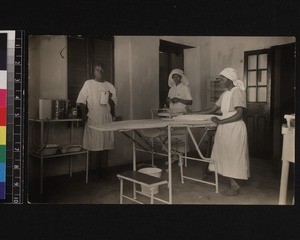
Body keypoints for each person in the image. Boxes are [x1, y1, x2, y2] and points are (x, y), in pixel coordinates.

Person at [201, 67, 250, 196]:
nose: (220, 81)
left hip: (234, 128)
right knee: (223, 154)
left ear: (229, 80)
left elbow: (239, 114)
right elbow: (211, 110)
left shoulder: (237, 92)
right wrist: (191, 112)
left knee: (232, 156)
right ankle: (232, 183)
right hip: (224, 128)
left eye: (222, 79)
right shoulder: (224, 94)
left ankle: (234, 186)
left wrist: (220, 121)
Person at [76, 63, 117, 182]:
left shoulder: (109, 85)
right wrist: (84, 115)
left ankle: (104, 172)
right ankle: (94, 173)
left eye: (101, 69)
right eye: (97, 69)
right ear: (93, 72)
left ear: (105, 71)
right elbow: (81, 101)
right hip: (94, 118)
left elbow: (114, 102)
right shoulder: (88, 84)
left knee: (105, 145)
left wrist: (110, 99)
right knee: (95, 146)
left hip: (106, 118)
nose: (99, 71)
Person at [166, 69, 193, 165]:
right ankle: (174, 156)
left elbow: (190, 101)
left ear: (181, 78)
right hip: (172, 114)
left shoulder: (185, 88)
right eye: (174, 77)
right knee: (172, 136)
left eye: (178, 77)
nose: (176, 78)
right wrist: (169, 100)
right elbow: (168, 100)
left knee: (181, 135)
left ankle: (181, 157)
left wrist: (179, 99)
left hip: (181, 114)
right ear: (172, 78)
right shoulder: (171, 89)